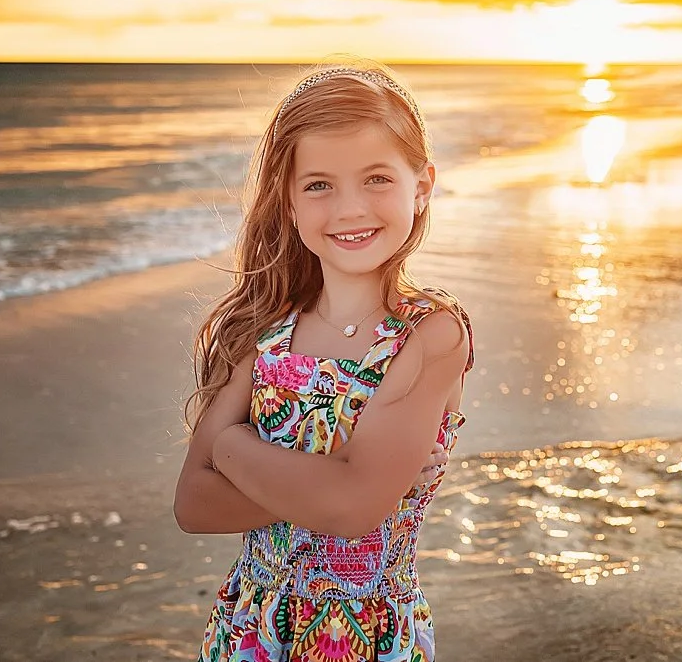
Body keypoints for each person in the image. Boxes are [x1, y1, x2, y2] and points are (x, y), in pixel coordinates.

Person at [173, 60, 475, 661]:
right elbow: (193, 505)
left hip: (367, 635)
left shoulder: (430, 335)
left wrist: (232, 450)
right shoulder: (265, 332)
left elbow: (354, 511)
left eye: (376, 179)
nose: (349, 208)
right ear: (287, 201)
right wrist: (339, 474)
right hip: (249, 633)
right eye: (318, 185)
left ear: (422, 186)